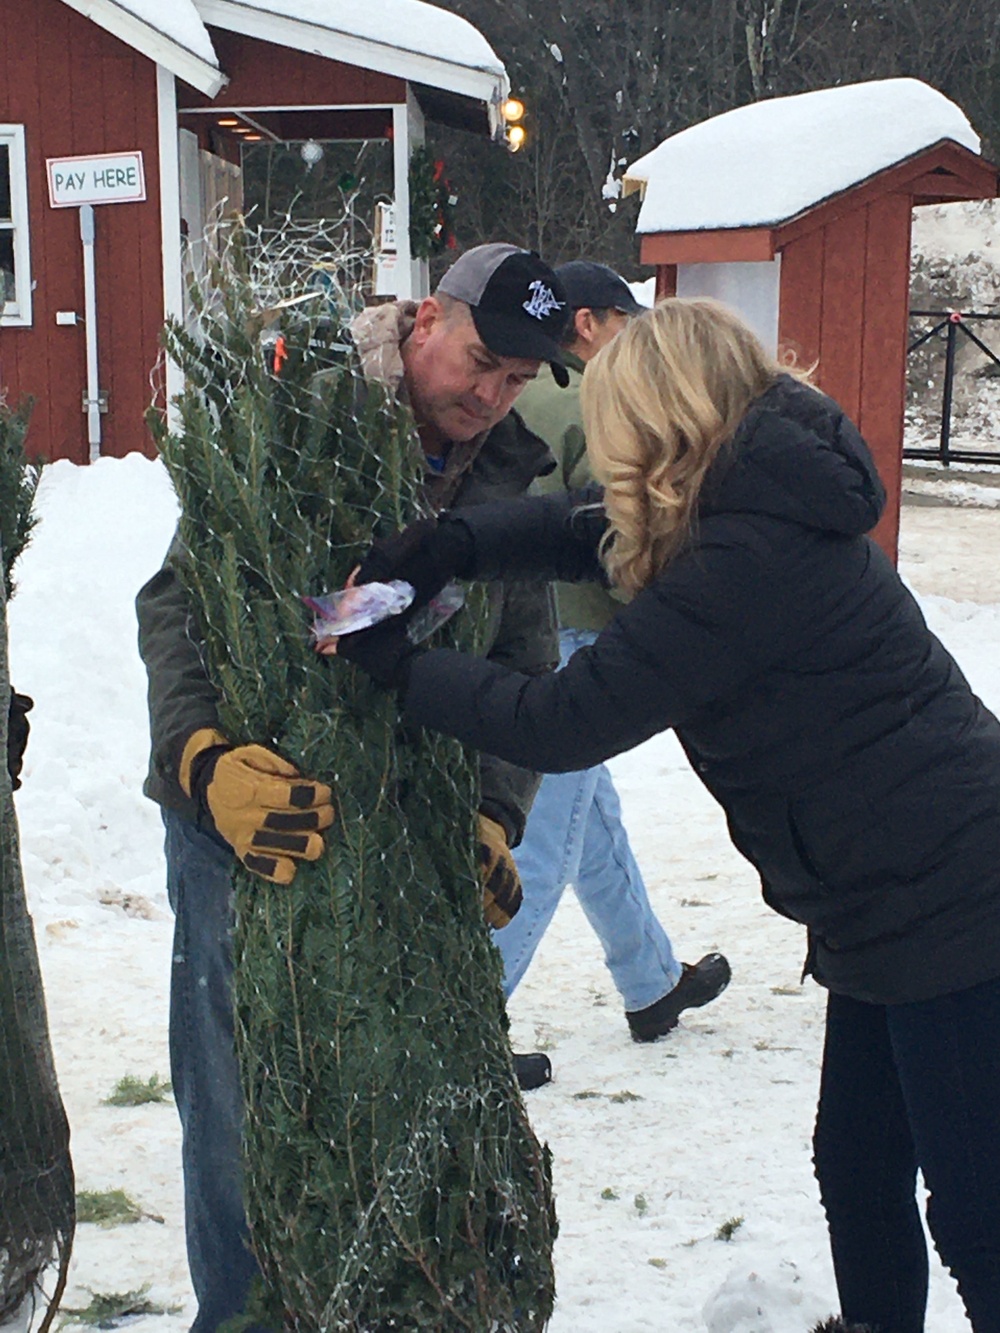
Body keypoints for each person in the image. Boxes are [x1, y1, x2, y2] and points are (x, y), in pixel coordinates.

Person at [336, 297, 1000, 1333]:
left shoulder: (744, 564)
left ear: (661, 419)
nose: (601, 451)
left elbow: (563, 719)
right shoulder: (746, 503)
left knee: (975, 1206)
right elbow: (579, 530)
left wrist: (395, 665)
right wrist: (452, 543)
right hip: (890, 894)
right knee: (858, 1164)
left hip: (950, 900)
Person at [136, 243, 568, 1333]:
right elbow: (180, 601)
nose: (488, 395)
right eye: (478, 362)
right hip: (254, 820)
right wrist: (202, 764)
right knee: (240, 1109)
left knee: (384, 1092)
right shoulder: (302, 412)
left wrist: (492, 810)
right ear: (424, 320)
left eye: (517, 381)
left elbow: (524, 660)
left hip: (407, 829)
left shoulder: (509, 472)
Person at [504, 260, 729, 1039]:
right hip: (573, 632)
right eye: (625, 324)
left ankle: (651, 979)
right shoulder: (591, 399)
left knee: (587, 819)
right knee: (539, 842)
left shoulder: (519, 384)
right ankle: (469, 1025)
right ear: (592, 324)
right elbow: (617, 525)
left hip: (520, 625)